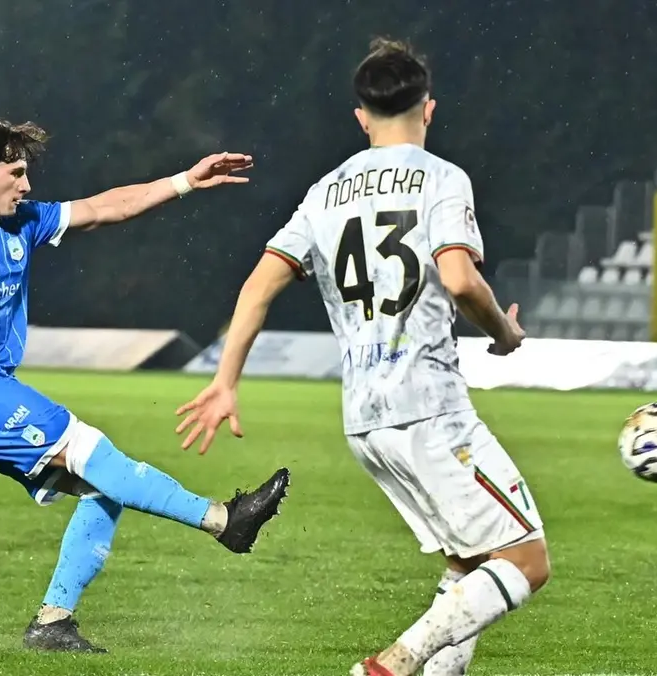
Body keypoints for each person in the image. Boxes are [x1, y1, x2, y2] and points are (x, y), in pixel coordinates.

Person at [0, 116, 289, 651]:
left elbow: (106, 207)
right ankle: (224, 521)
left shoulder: (22, 223)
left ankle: (53, 621)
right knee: (92, 449)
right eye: (16, 173)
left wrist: (185, 180)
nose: (26, 185)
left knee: (101, 488)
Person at [173, 38, 551, 676]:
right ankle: (391, 666)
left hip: (364, 419)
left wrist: (225, 380)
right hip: (430, 409)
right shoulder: (442, 179)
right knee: (525, 561)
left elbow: (258, 286)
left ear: (360, 117)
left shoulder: (325, 192)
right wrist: (505, 333)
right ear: (428, 109)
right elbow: (460, 280)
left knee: (466, 563)